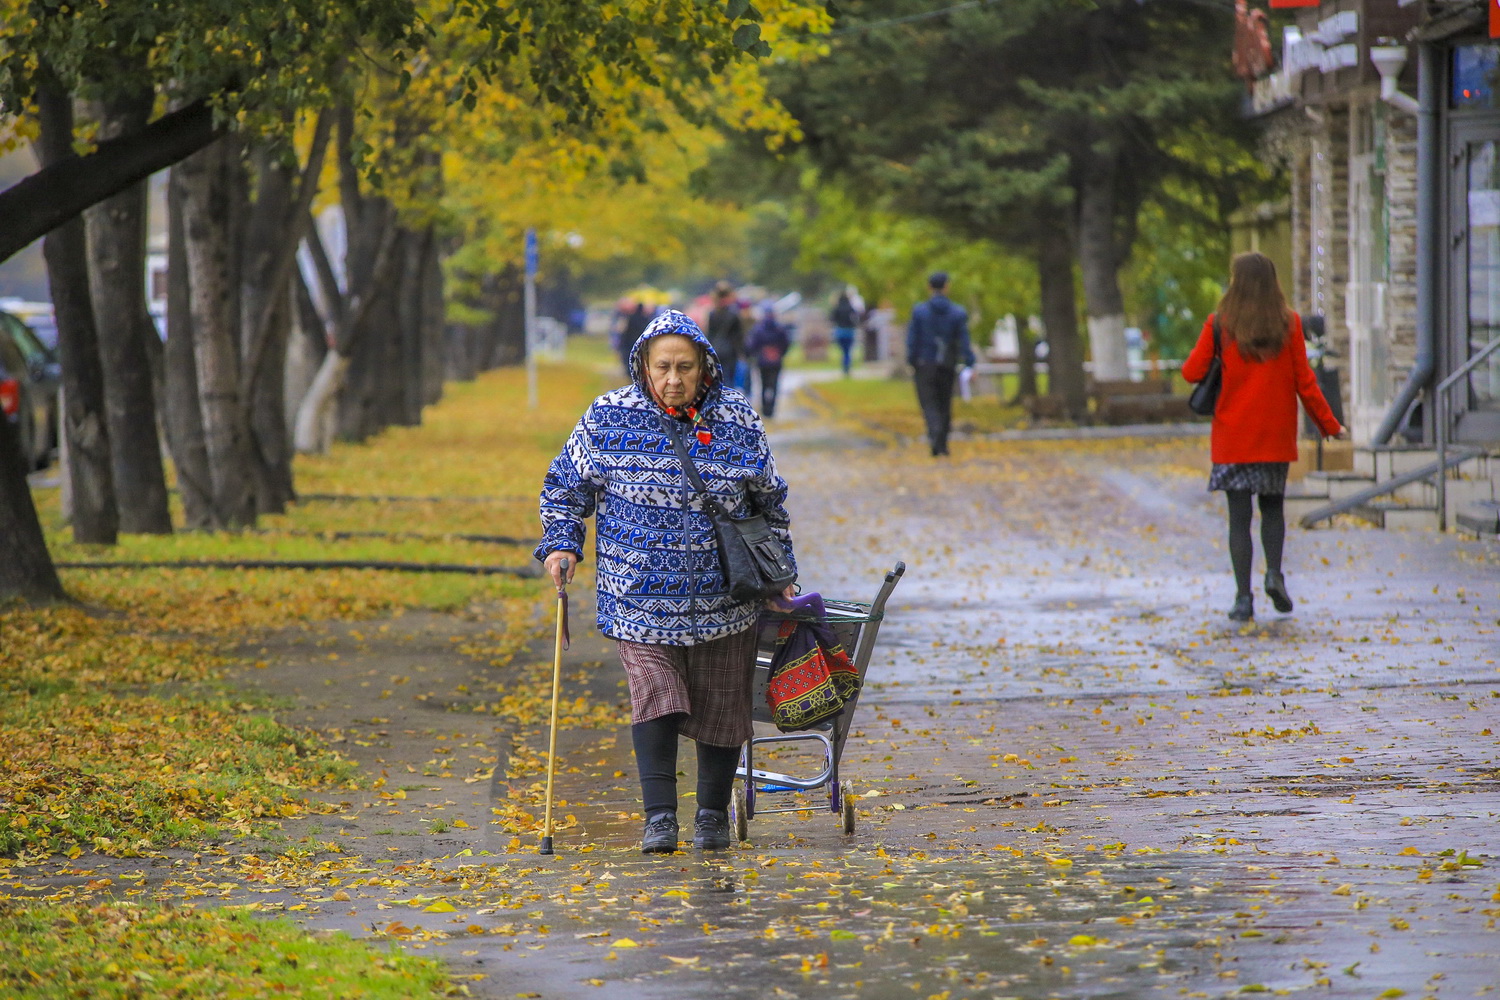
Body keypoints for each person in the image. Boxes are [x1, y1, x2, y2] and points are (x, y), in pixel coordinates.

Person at [535, 309, 797, 854]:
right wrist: (562, 542)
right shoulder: (608, 416)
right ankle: (659, 818)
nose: (673, 379)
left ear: (705, 367)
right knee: (656, 696)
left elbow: (770, 502)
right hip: (638, 596)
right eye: (663, 367)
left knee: (723, 705)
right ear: (643, 367)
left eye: (685, 367)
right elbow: (564, 486)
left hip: (727, 597)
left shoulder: (737, 417)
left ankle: (711, 817)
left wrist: (781, 573)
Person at [1183, 251, 1343, 622]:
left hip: (1233, 438)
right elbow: (1305, 381)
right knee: (1272, 509)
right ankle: (1274, 574)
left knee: (1239, 518)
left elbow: (1191, 372)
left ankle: (1243, 599)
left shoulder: (1221, 323)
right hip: (1274, 437)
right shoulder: (1289, 324)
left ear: (1235, 281)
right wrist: (1330, 425)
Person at [906, 272, 975, 457]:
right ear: (946, 286)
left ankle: (934, 432)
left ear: (929, 287)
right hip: (947, 363)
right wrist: (969, 361)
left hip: (924, 363)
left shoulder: (919, 312)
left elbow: (912, 339)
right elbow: (963, 340)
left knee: (928, 402)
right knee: (945, 402)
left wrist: (912, 360)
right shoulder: (957, 313)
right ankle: (942, 442)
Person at [745, 300, 792, 418]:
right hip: (776, 360)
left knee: (764, 384)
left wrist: (756, 354)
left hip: (762, 361)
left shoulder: (758, 329)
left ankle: (765, 408)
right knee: (774, 385)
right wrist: (780, 353)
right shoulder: (780, 328)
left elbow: (752, 345)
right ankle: (771, 409)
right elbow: (786, 343)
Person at [706, 282, 745, 390]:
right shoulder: (733, 314)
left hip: (716, 349)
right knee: (729, 378)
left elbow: (710, 333)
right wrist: (741, 352)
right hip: (730, 351)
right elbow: (738, 336)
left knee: (717, 377)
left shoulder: (713, 313)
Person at [618, 302, 651, 377]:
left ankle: (630, 373)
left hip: (629, 343)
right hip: (640, 343)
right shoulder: (645, 319)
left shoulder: (630, 318)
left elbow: (624, 331)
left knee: (628, 359)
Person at [830, 291, 859, 376]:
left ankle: (845, 366)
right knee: (847, 351)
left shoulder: (837, 308)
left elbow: (832, 318)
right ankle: (847, 367)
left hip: (840, 331)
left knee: (843, 351)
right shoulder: (850, 308)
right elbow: (856, 318)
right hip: (849, 332)